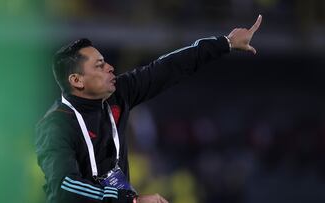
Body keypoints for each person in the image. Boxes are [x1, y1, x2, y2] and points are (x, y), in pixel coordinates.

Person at [35, 15, 263, 203]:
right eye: (100, 65)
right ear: (76, 80)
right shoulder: (56, 126)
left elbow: (166, 69)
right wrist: (131, 201)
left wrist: (225, 43)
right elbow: (66, 187)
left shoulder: (118, 94)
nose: (110, 68)